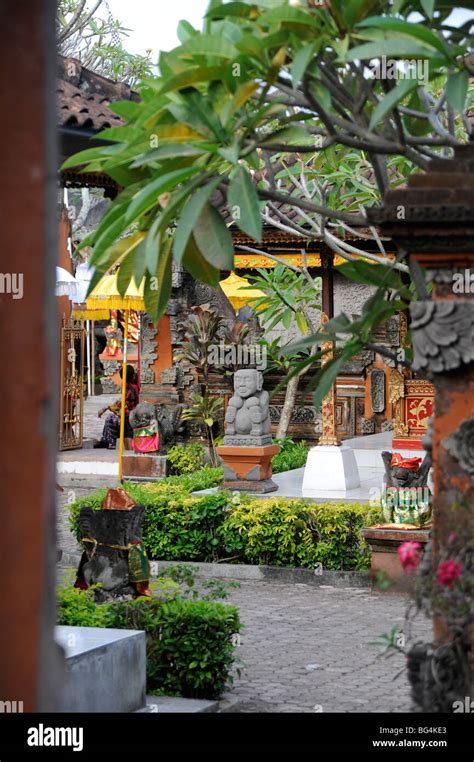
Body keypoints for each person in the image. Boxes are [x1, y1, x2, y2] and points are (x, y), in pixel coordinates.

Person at [94, 365, 139, 449]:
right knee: (124, 430)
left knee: (111, 419)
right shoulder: (129, 386)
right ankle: (111, 442)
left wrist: (107, 408)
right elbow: (121, 402)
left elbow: (123, 402)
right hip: (127, 415)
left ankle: (111, 442)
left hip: (130, 416)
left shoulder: (131, 387)